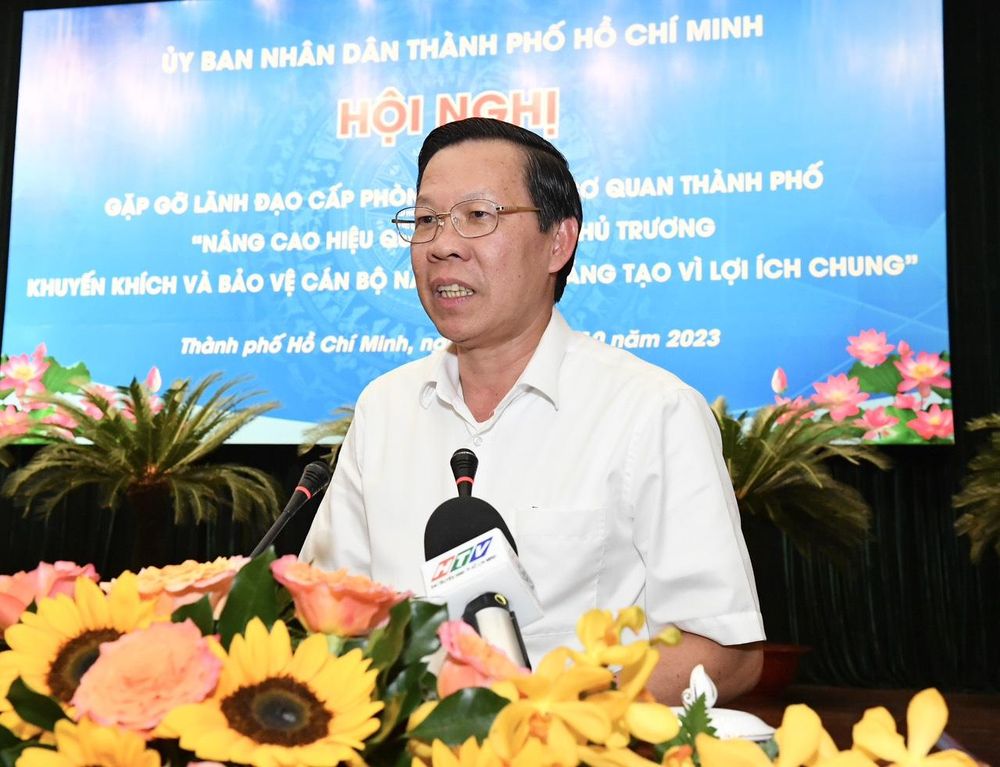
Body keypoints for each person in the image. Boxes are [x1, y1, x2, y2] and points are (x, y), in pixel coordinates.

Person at [300, 117, 765, 703]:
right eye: (425, 220)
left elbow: (726, 652)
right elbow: (329, 614)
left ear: (558, 242)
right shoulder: (384, 408)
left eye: (478, 215)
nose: (442, 245)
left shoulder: (652, 411)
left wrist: (556, 713)